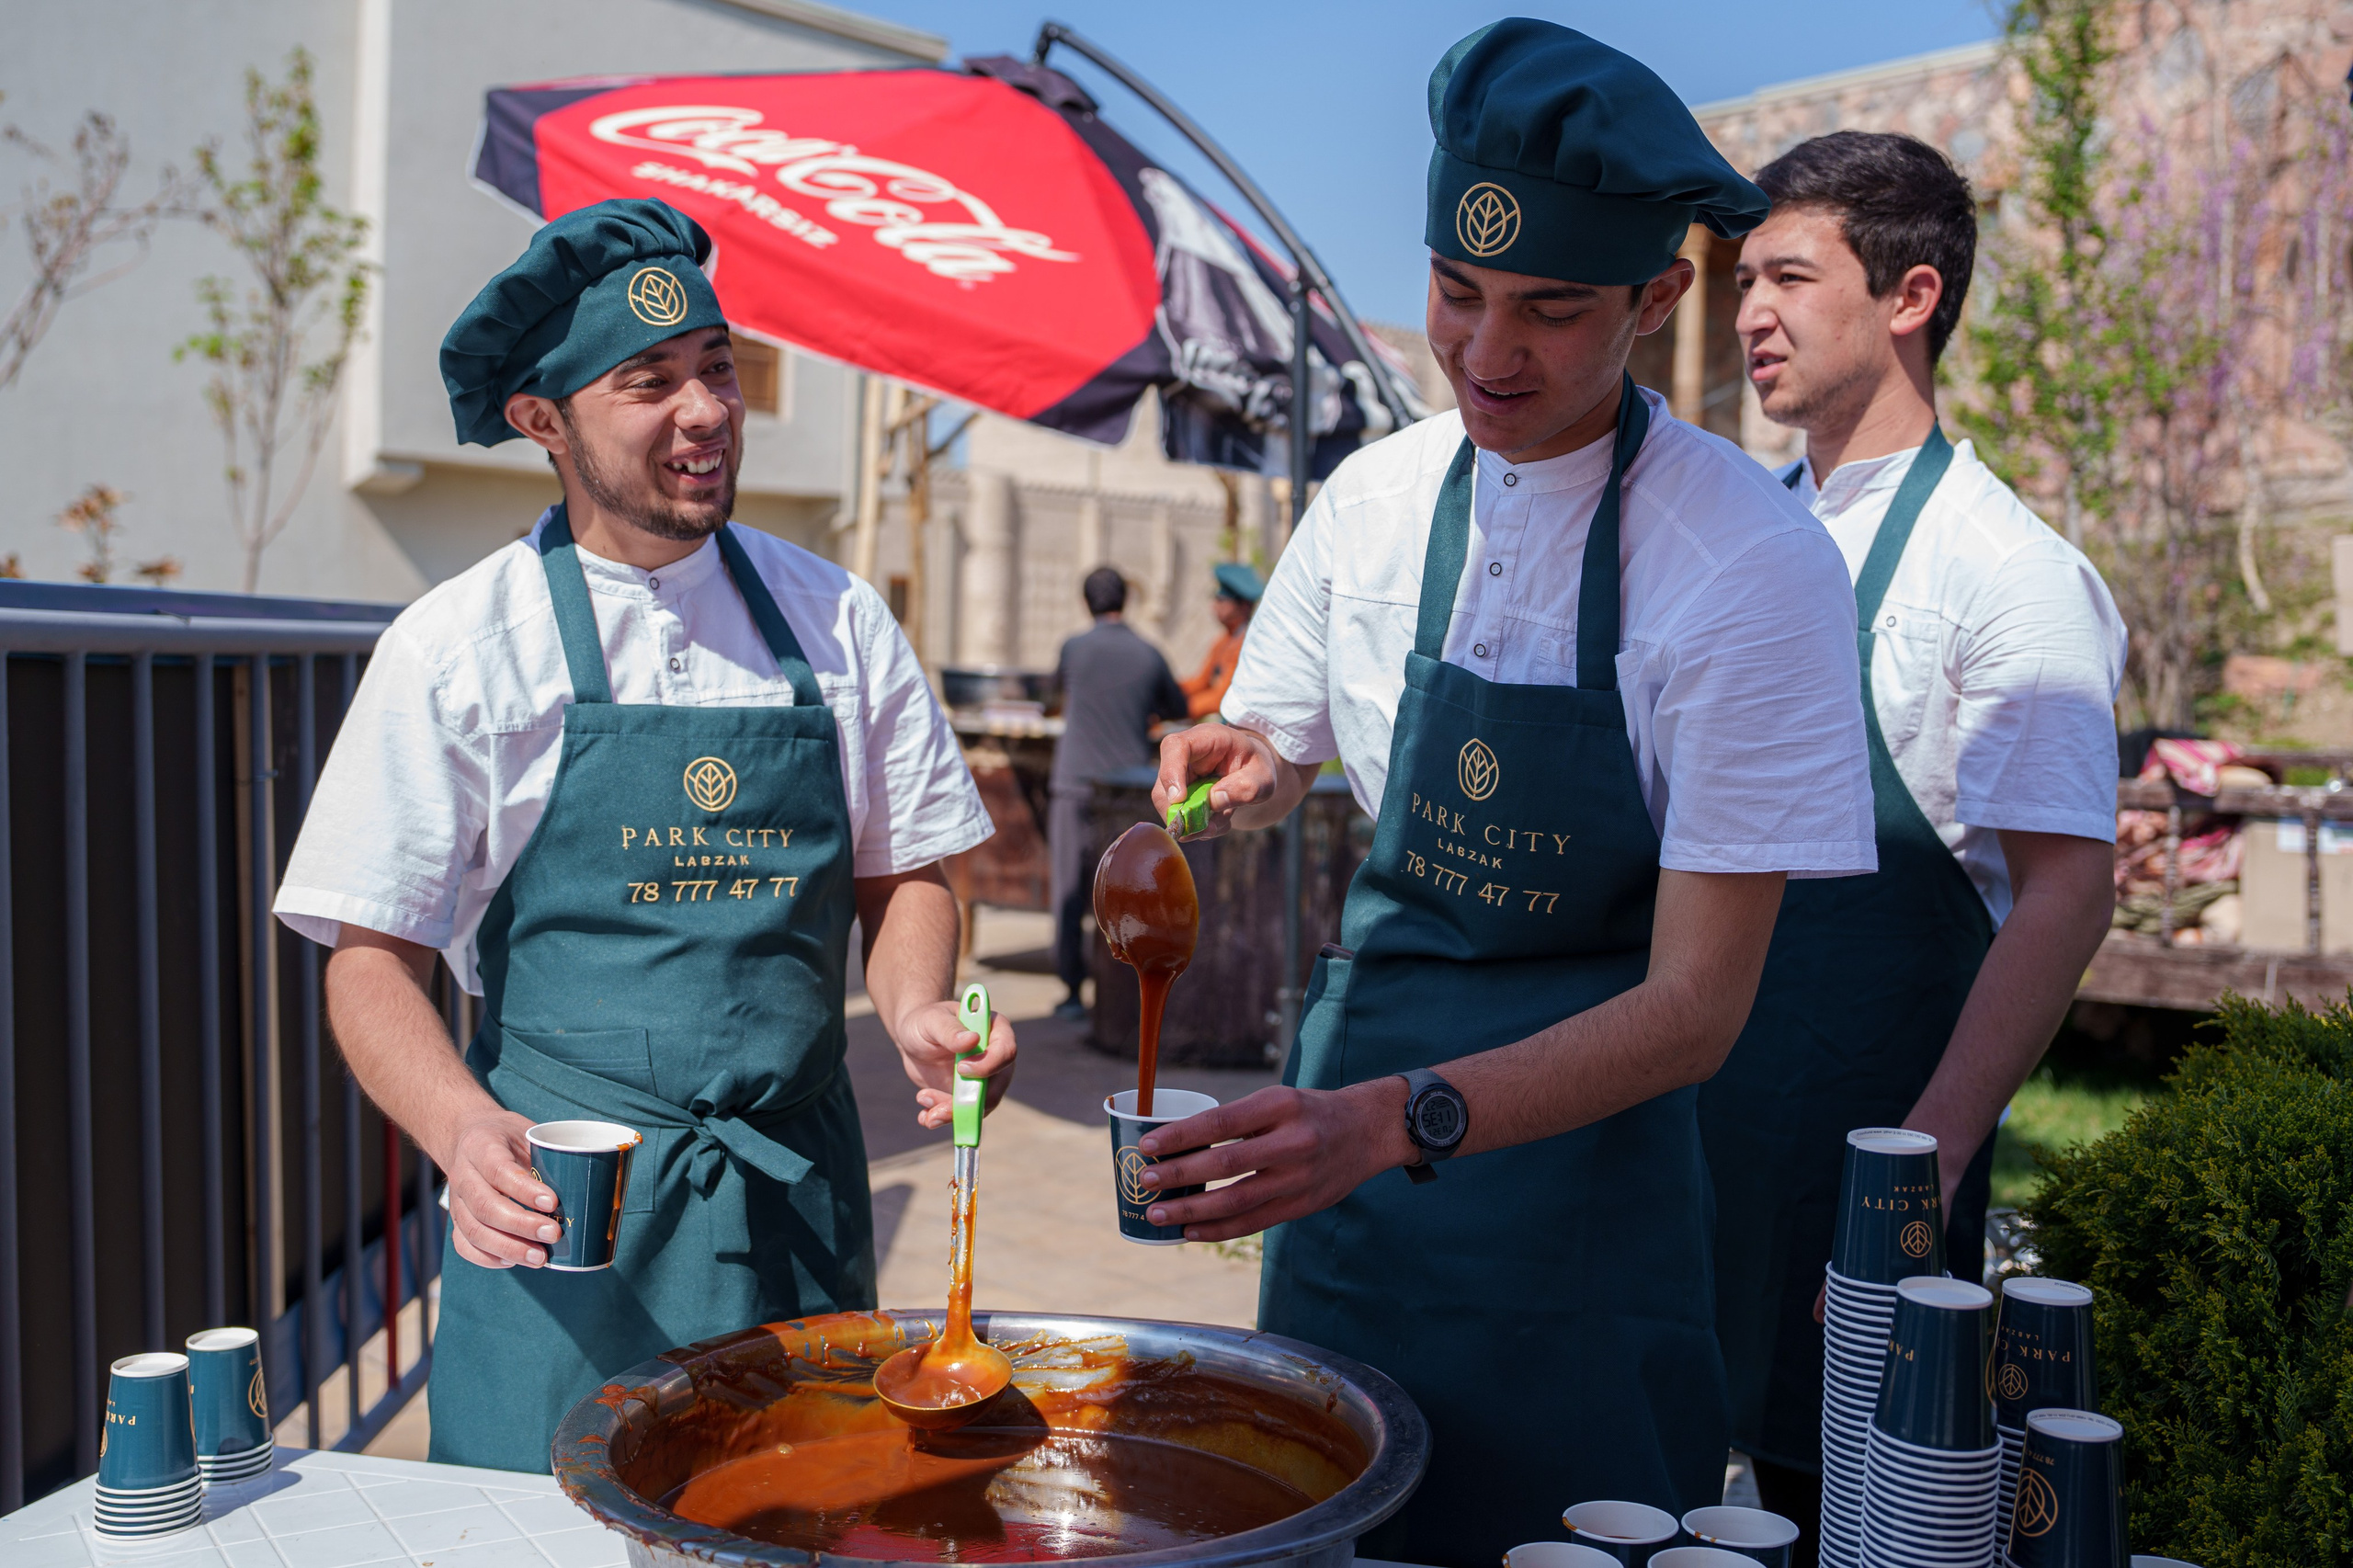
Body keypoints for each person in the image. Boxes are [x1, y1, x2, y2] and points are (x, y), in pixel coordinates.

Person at [1135, 22, 1881, 1566]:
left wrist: (1398, 1120)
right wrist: (1245, 772)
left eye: (1550, 309)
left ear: (1659, 297)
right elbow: (1288, 747)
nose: (1486, 353)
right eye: (1456, 294)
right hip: (1346, 1176)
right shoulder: (1375, 496)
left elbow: (1699, 1008)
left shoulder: (1748, 565)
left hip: (1586, 1195)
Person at [272, 199, 1015, 1473]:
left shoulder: (834, 617)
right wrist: (461, 1128)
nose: (708, 410)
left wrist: (917, 1011)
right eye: (650, 381)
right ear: (541, 418)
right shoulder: (459, 647)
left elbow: (905, 873)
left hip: (795, 1206)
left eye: (718, 366)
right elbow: (368, 956)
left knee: (804, 1518)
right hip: (567, 1231)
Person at [1706, 131, 2122, 1560]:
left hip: (1857, 1176)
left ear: (1910, 295)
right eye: (1745, 276)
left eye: (1789, 276)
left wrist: (1922, 1174)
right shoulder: (1736, 535)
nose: (1749, 308)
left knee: (1856, 1517)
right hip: (1685, 1143)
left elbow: (2066, 894)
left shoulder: (2004, 572)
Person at [1047, 566, 1190, 1021]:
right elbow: (1178, 708)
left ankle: (1072, 993)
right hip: (1127, 789)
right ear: (1125, 600)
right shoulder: (1149, 654)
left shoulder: (1073, 648)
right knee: (1126, 895)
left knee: (1070, 889)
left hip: (1073, 783)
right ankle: (1124, 997)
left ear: (1086, 603)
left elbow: (1052, 697)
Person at [1178, 562, 1264, 719]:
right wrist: (1169, 692)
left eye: (1222, 600)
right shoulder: (1223, 641)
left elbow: (1221, 697)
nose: (1215, 605)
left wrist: (1179, 709)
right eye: (1216, 599)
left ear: (1244, 606)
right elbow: (1202, 681)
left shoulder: (1248, 645)